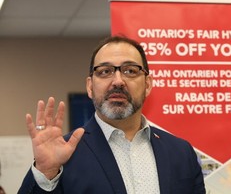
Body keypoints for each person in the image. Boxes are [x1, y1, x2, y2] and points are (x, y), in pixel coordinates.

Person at [18, 35, 206, 193]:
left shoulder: (181, 153)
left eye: (130, 71)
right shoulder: (64, 155)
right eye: (105, 71)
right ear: (90, 87)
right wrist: (46, 172)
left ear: (147, 85)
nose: (118, 81)